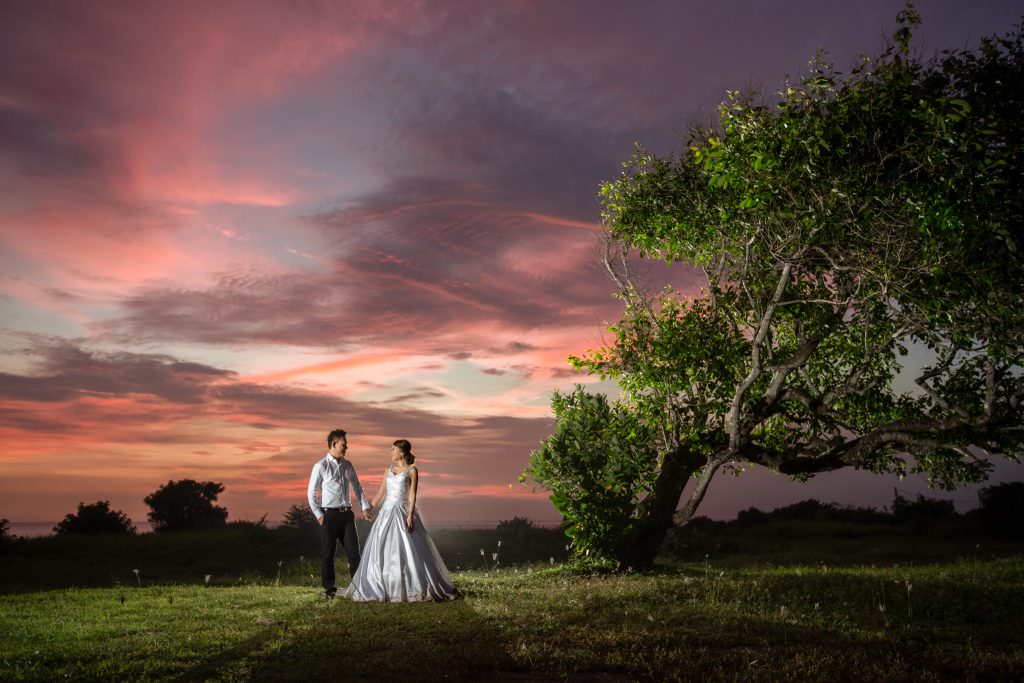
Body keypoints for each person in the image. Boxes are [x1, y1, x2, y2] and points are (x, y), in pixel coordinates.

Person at [343, 439, 456, 602]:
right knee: (383, 548)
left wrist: (410, 515)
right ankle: (386, 584)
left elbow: (412, 496)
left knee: (409, 550)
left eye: (393, 449)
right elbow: (382, 492)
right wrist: (370, 507)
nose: (391, 452)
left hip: (402, 511)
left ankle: (412, 585)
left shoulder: (412, 470)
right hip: (387, 513)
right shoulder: (388, 469)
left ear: (402, 452)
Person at [307, 428, 372, 598]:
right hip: (329, 516)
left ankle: (359, 587)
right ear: (334, 444)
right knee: (328, 553)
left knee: (354, 553)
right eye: (344, 444)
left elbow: (357, 487)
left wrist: (364, 506)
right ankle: (330, 589)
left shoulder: (347, 465)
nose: (346, 447)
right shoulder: (321, 466)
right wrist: (319, 514)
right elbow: (311, 492)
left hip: (347, 515)